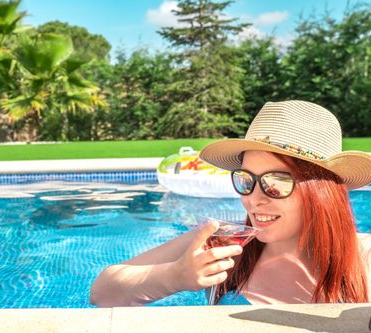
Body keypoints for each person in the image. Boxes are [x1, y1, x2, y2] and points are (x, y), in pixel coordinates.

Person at [90, 100, 371, 306]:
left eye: (276, 182)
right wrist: (176, 276)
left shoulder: (364, 259)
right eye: (246, 179)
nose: (253, 198)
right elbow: (102, 292)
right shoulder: (224, 246)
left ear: (321, 192)